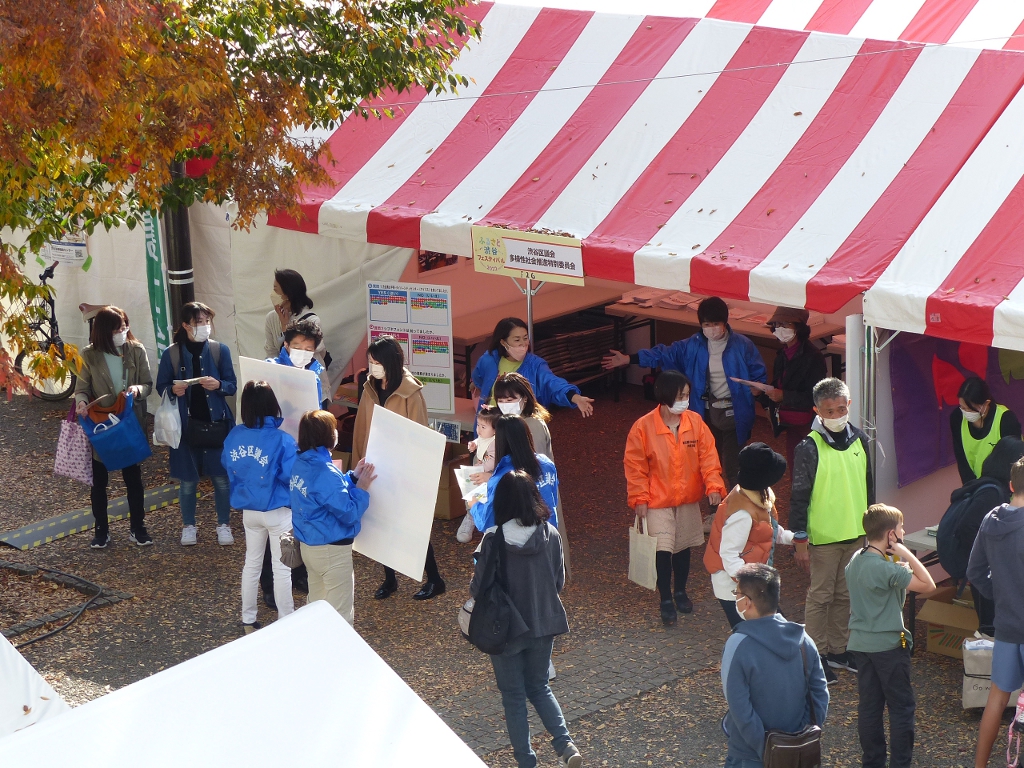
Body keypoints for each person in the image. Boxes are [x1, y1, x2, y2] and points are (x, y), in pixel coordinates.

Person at [470, 470, 582, 768]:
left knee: (514, 696)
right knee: (540, 686)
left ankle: (526, 761)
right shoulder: (551, 534)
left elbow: (478, 589)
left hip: (505, 630)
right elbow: (558, 582)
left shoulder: (493, 539)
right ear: (534, 498)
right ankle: (566, 745)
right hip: (545, 623)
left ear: (502, 501)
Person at [604, 296, 766, 489]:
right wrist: (630, 359)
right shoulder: (692, 345)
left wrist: (758, 389)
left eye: (716, 323)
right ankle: (716, 508)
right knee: (709, 463)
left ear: (725, 323)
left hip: (735, 413)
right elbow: (662, 353)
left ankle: (738, 509)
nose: (711, 328)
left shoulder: (743, 345)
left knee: (734, 466)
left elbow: (758, 374)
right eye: (707, 324)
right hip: (704, 412)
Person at [624, 370, 726, 626]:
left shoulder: (695, 422)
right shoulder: (643, 427)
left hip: (687, 498)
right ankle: (666, 598)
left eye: (687, 395)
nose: (685, 400)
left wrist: (714, 485)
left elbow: (708, 457)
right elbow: (635, 466)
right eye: (681, 396)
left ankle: (680, 591)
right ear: (666, 396)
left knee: (682, 548)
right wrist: (639, 499)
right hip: (657, 500)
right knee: (662, 549)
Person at [790, 377, 873, 684]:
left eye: (841, 408)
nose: (837, 415)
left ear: (849, 405)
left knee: (845, 595)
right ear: (817, 411)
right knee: (821, 596)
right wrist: (800, 538)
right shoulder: (808, 447)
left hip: (855, 533)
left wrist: (872, 532)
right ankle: (816, 654)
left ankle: (839, 650)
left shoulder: (861, 440)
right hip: (823, 538)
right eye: (830, 411)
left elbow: (869, 489)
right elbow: (798, 495)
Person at [351, 335, 445, 601]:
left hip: (402, 469)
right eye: (370, 362)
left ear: (390, 363)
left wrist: (414, 473)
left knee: (412, 525)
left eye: (376, 362)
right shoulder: (369, 387)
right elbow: (361, 427)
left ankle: (434, 578)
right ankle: (389, 579)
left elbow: (419, 433)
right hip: (375, 465)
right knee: (380, 521)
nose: (372, 367)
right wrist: (358, 461)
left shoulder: (411, 393)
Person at [846, 504, 935, 768]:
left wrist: (897, 564)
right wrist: (905, 553)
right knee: (901, 708)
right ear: (890, 535)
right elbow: (928, 585)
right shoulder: (887, 569)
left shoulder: (856, 560)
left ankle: (872, 762)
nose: (904, 532)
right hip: (888, 647)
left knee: (870, 707)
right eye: (901, 529)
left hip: (861, 644)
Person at [721, 563, 829, 768]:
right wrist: (803, 732)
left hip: (749, 755)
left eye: (737, 593)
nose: (736, 598)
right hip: (798, 752)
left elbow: (739, 706)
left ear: (747, 602)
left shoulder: (737, 644)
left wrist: (767, 747)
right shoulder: (804, 640)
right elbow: (820, 693)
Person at [156, 302, 238, 547]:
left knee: (221, 479)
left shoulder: (219, 350)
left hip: (217, 424)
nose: (204, 327)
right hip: (184, 426)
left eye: (207, 321)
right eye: (198, 322)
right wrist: (172, 388)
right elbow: (161, 385)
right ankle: (188, 525)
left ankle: (224, 524)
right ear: (185, 326)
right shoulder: (171, 353)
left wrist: (219, 385)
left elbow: (232, 384)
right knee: (188, 481)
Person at [74, 306, 153, 548]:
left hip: (129, 422)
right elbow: (81, 388)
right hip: (100, 424)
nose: (123, 331)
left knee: (133, 478)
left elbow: (147, 383)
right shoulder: (89, 355)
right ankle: (101, 530)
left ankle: (138, 527)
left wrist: (137, 390)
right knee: (99, 481)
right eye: (118, 328)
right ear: (104, 331)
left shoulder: (136, 350)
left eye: (125, 326)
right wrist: (82, 403)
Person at [222, 381, 298, 634]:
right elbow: (290, 476)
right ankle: (286, 619)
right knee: (282, 568)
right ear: (271, 405)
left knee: (251, 563)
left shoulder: (234, 435)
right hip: (278, 511)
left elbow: (226, 464)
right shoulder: (283, 440)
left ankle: (248, 618)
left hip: (248, 510)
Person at [290, 410, 376, 625]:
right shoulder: (324, 470)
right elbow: (349, 513)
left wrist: (352, 477)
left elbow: (325, 495)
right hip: (332, 550)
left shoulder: (301, 462)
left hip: (310, 546)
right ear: (328, 436)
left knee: (316, 608)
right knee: (340, 616)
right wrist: (362, 489)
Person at [967, 457, 1024, 768]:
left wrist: (1000, 596)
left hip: (1005, 626)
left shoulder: (992, 518)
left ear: (1011, 485)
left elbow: (975, 571)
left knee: (996, 701)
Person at [939, 437, 1024, 635]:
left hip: (989, 576)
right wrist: (991, 551)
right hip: (990, 574)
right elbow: (967, 527)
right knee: (990, 630)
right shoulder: (992, 494)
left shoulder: (987, 485)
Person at [704, 443, 794, 628]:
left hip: (749, 583)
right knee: (758, 633)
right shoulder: (742, 514)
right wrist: (751, 587)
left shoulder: (756, 496)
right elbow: (728, 554)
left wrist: (792, 538)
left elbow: (767, 531)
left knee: (774, 628)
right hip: (734, 586)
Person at [472, 317, 594, 418]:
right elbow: (478, 377)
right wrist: (476, 385)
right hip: (490, 423)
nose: (523, 344)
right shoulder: (489, 360)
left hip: (522, 427)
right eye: (517, 340)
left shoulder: (535, 365)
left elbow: (552, 383)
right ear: (503, 342)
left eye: (525, 338)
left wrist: (575, 397)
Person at [760, 307, 827, 471]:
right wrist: (761, 393)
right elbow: (779, 386)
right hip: (790, 421)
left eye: (785, 324)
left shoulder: (813, 357)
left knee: (812, 468)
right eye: (777, 324)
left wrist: (784, 396)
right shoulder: (782, 355)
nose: (780, 328)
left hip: (808, 423)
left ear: (798, 327)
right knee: (795, 466)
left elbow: (816, 397)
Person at [470, 415, 559, 533]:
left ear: (500, 441)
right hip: (548, 534)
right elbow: (553, 498)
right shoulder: (547, 464)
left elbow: (487, 522)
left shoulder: (502, 477)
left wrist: (474, 505)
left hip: (518, 542)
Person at [265, 268, 330, 400]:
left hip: (311, 382)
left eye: (276, 289)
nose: (272, 293)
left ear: (287, 294)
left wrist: (285, 327)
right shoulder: (271, 318)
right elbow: (271, 350)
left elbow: (310, 350)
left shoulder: (311, 320)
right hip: (284, 385)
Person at [951, 376, 1022, 485]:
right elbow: (962, 461)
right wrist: (972, 490)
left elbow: (1013, 463)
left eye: (969, 409)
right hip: (978, 488)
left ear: (986, 404)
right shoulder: (957, 418)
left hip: (1007, 486)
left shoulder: (1006, 420)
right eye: (962, 407)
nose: (965, 412)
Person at [456, 406, 498, 543]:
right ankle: (470, 516)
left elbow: (491, 461)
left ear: (495, 429)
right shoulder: (483, 437)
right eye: (478, 425)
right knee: (473, 493)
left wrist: (481, 467)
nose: (478, 430)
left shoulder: (495, 442)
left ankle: (488, 525)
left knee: (488, 498)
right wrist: (473, 444)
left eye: (483, 427)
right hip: (479, 469)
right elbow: (479, 441)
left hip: (487, 472)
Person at [269, 318, 327, 406]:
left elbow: (315, 409)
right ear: (286, 345)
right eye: (297, 348)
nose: (302, 353)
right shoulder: (271, 368)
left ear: (314, 350)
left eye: (308, 350)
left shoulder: (314, 378)